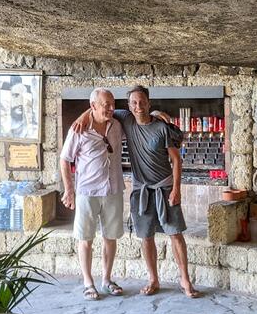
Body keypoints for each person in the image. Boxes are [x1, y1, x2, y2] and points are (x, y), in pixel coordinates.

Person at [74, 85, 201, 298]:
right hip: (141, 190)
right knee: (146, 236)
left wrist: (176, 189)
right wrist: (83, 116)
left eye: (142, 102)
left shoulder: (161, 127)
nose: (138, 106)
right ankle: (153, 279)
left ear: (149, 103)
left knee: (175, 234)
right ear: (129, 106)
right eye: (133, 102)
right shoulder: (126, 119)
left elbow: (177, 159)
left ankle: (185, 280)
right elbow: (99, 107)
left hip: (164, 187)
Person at [60, 88, 125, 300]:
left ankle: (106, 280)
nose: (111, 108)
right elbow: (65, 159)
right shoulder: (79, 130)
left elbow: (138, 114)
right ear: (93, 106)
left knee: (110, 237)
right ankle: (88, 283)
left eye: (113, 103)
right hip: (87, 191)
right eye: (106, 104)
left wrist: (155, 114)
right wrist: (69, 189)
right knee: (85, 238)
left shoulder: (117, 124)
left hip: (113, 189)